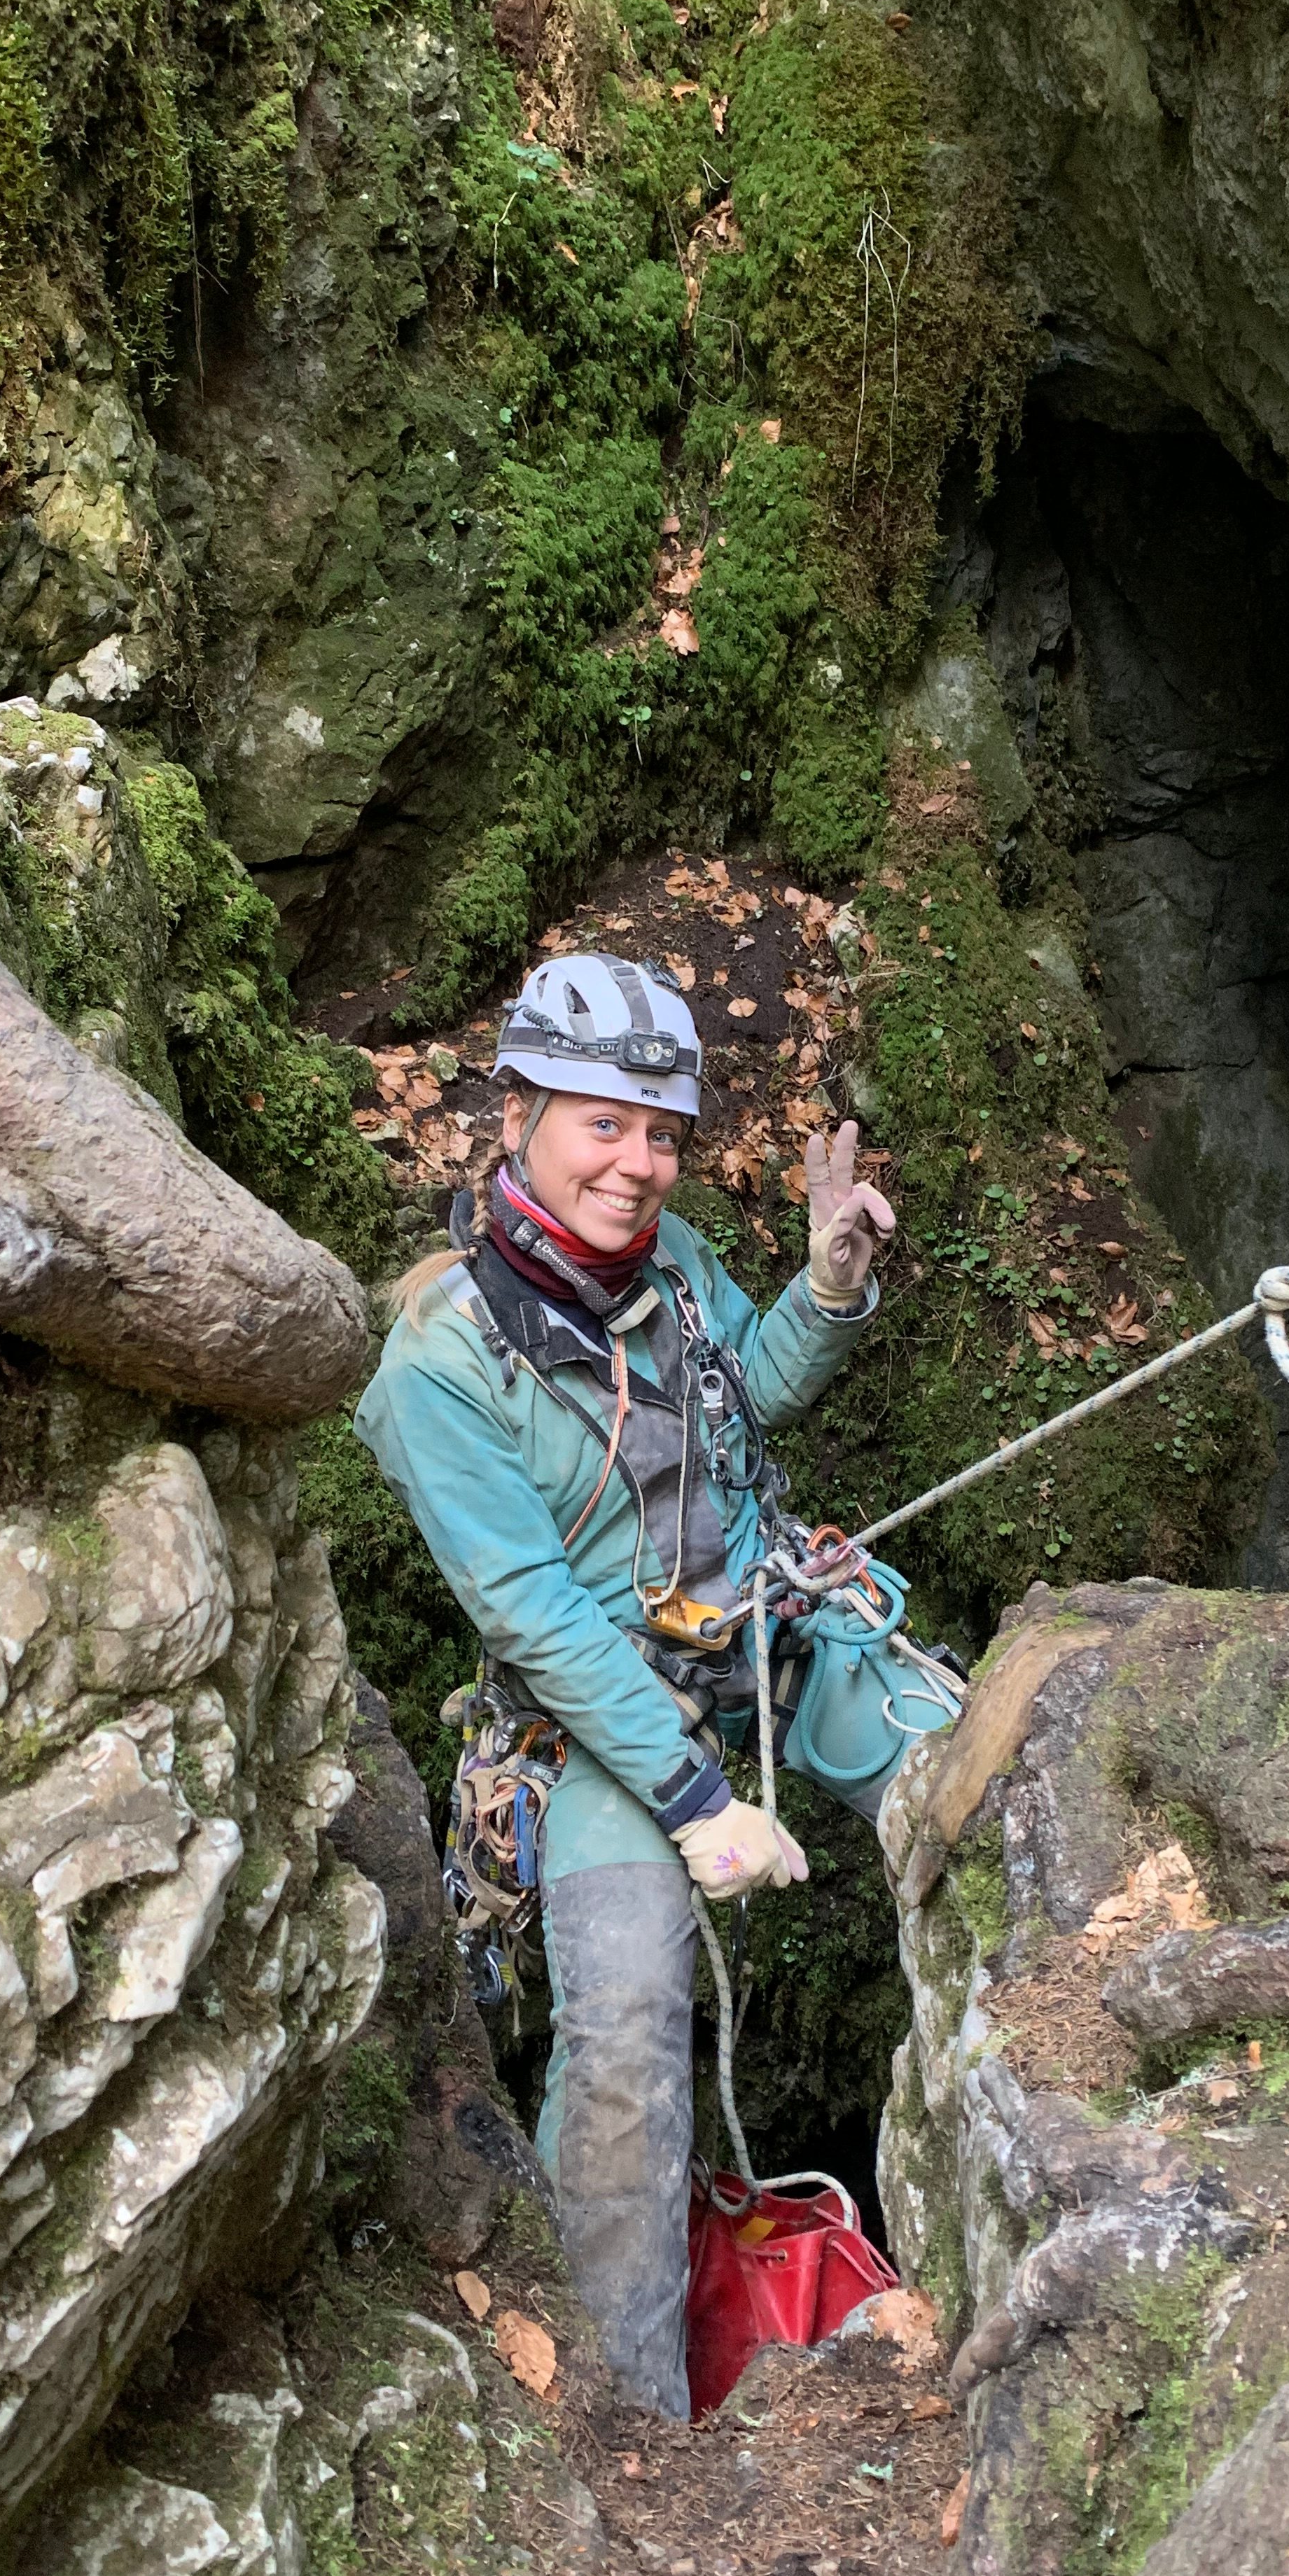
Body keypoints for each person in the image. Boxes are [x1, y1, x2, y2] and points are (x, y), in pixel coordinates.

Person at [354, 951, 952, 2416]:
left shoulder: (670, 1263)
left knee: (982, 1784)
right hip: (603, 1730)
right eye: (602, 1124)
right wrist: (697, 1802)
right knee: (625, 2040)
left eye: (661, 1133)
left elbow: (742, 1387)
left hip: (770, 1634)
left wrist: (823, 1287)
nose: (637, 1164)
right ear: (519, 1120)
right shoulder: (436, 1368)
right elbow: (539, 1618)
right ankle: (631, 2415)